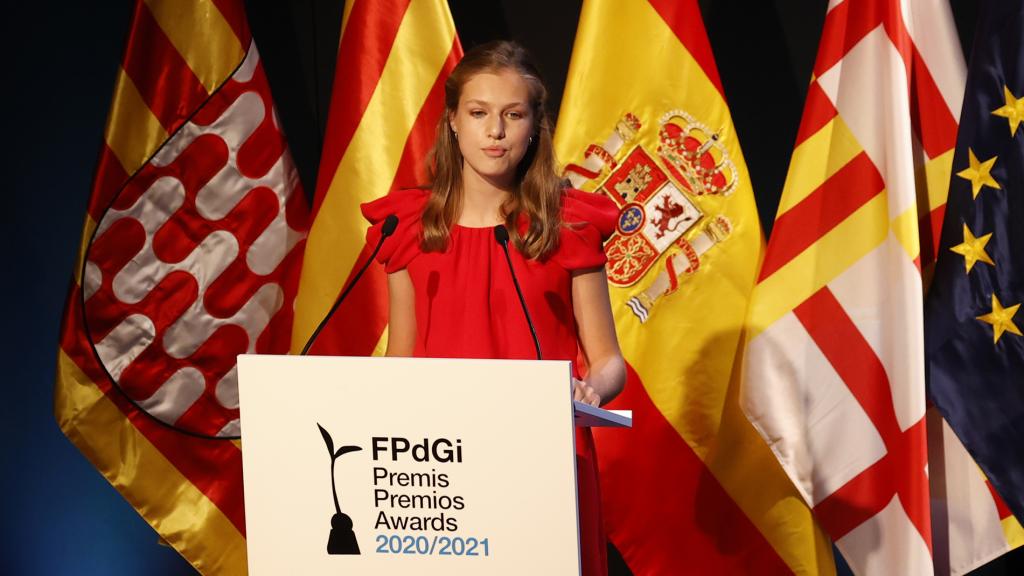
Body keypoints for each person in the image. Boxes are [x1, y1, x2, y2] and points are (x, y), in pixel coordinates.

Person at [362, 40, 626, 575]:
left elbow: (608, 361)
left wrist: (589, 391)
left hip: (542, 457)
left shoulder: (567, 225)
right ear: (453, 122)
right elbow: (401, 360)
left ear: (535, 125)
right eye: (479, 113)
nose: (495, 131)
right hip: (440, 469)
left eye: (513, 114)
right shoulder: (410, 229)